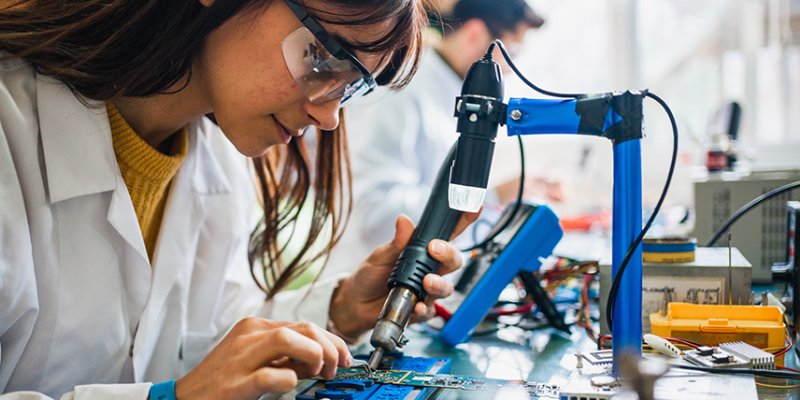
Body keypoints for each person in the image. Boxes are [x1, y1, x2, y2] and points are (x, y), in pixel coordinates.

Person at [0, 0, 478, 399]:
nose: (329, 116)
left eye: (349, 87)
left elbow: (208, 339)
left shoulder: (217, 167)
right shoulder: (9, 134)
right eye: (327, 58)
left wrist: (342, 309)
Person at [327, 0, 555, 276]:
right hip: (364, 283)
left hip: (421, 279)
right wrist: (493, 195)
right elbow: (375, 214)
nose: (508, 70)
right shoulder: (401, 91)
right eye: (512, 54)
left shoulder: (450, 91)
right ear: (474, 35)